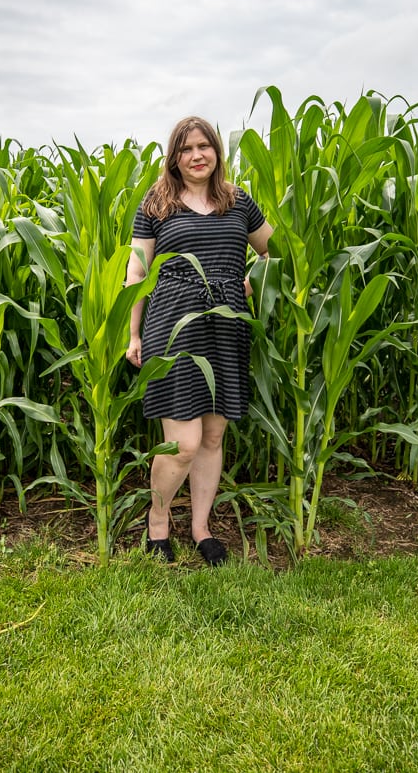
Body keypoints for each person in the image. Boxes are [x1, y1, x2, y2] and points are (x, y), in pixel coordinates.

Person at [125, 115, 272, 566]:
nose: (196, 156)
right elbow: (136, 272)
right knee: (183, 443)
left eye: (204, 147)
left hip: (226, 324)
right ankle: (158, 522)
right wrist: (133, 333)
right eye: (186, 149)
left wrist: (251, 277)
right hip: (173, 323)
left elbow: (275, 251)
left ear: (216, 153)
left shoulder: (237, 201)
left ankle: (201, 527)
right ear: (175, 157)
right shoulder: (157, 203)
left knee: (212, 435)